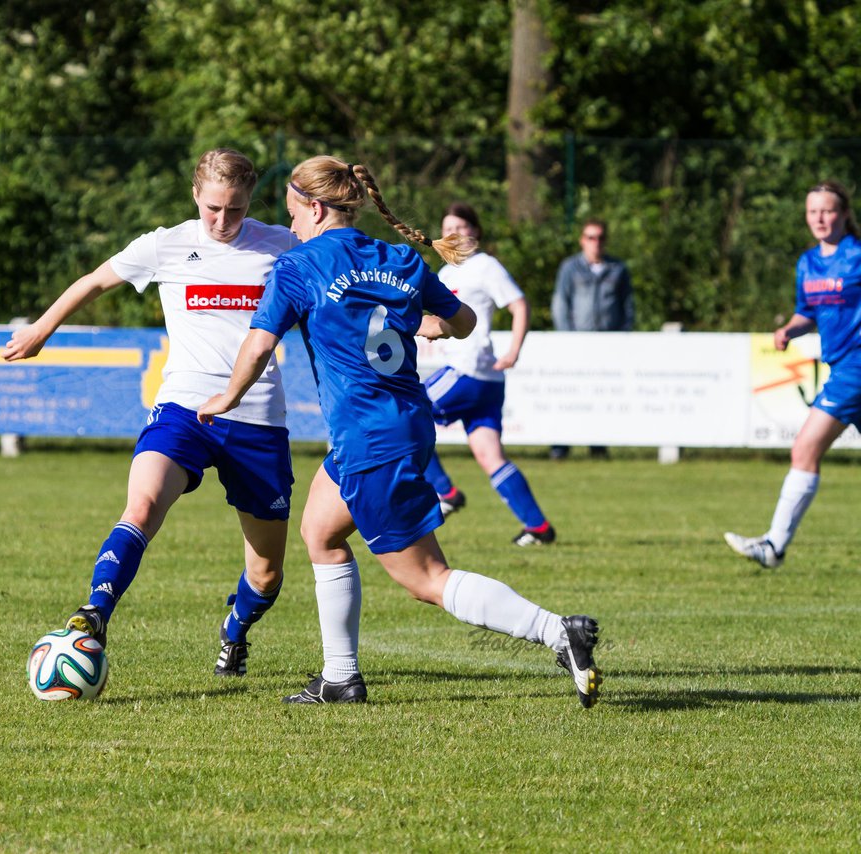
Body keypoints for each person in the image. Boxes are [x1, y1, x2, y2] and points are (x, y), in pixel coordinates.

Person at [198, 155, 602, 707]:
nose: (289, 225)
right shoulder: (399, 259)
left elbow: (260, 343)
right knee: (319, 530)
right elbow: (464, 322)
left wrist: (227, 397)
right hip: (401, 423)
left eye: (292, 213)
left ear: (315, 208)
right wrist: (431, 322)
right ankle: (340, 677)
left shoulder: (299, 267)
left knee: (426, 577)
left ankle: (559, 632)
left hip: (370, 436)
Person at [4, 148, 297, 676]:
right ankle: (94, 613)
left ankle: (235, 632)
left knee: (268, 571)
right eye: (212, 208)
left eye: (235, 210)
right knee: (140, 506)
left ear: (251, 200)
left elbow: (346, 288)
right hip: (183, 409)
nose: (223, 221)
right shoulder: (165, 245)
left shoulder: (282, 245)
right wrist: (41, 329)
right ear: (195, 195)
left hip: (257, 420)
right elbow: (95, 280)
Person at [725, 180, 861, 569]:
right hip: (841, 364)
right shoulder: (808, 262)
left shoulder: (856, 256)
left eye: (828, 210)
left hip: (856, 366)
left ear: (844, 214)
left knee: (804, 449)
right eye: (812, 211)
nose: (819, 218)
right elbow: (810, 312)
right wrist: (790, 329)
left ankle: (773, 546)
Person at [421, 202, 556, 546]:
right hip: (485, 380)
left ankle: (445, 492)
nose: (454, 233)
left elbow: (519, 304)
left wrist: (514, 350)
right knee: (489, 454)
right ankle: (538, 528)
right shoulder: (447, 273)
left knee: (405, 412)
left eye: (461, 227)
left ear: (475, 233)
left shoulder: (484, 266)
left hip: (470, 368)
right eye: (447, 227)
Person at [550, 217, 635, 459]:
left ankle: (598, 445)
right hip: (576, 342)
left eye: (599, 237)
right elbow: (560, 303)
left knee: (601, 396)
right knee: (569, 396)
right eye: (590, 237)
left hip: (608, 344)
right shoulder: (570, 268)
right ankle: (561, 445)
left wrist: (622, 337)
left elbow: (627, 306)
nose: (595, 242)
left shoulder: (618, 269)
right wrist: (567, 338)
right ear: (582, 240)